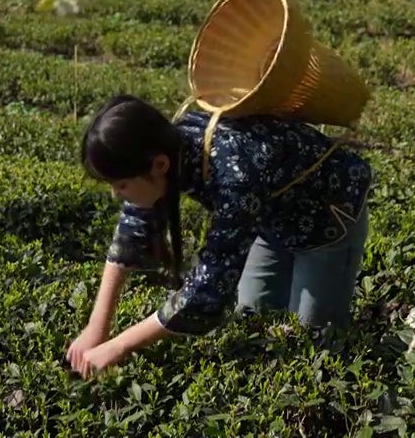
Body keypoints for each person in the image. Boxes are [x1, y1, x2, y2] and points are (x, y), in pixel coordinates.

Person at [66, 93, 373, 378]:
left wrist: (118, 346)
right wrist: (97, 328)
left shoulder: (234, 176)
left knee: (314, 345)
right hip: (267, 219)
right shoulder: (170, 146)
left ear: (159, 165)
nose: (115, 196)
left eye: (120, 185)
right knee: (256, 322)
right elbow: (131, 232)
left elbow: (206, 292)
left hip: (326, 218)